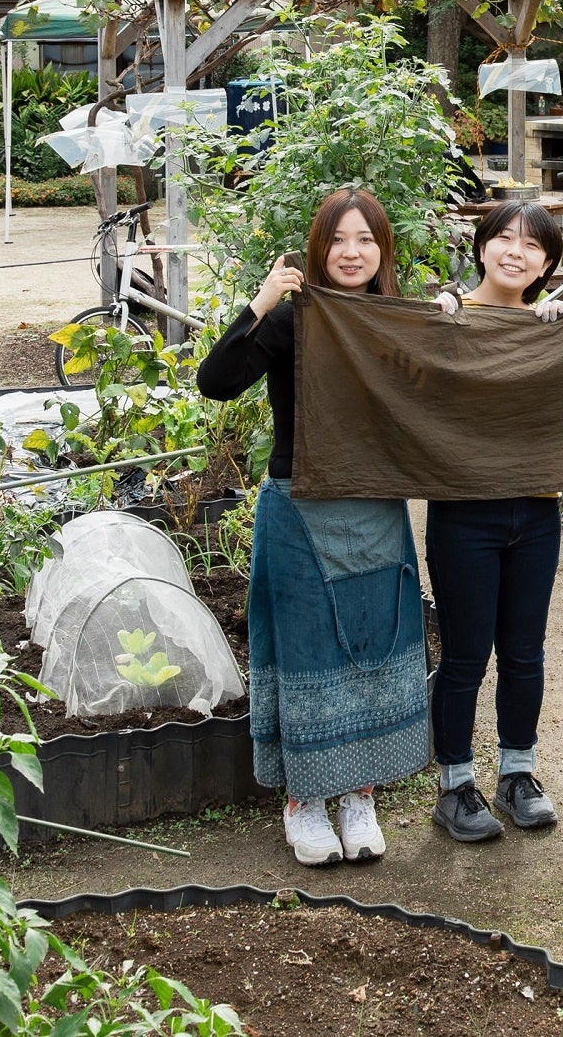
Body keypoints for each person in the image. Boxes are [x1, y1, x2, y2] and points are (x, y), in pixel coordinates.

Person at [195, 189, 428, 869]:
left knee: (373, 641)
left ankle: (359, 795)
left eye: (365, 239)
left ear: (383, 250)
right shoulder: (291, 320)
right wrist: (261, 301)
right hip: (299, 505)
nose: (352, 253)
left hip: (375, 505)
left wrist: (447, 316)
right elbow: (216, 381)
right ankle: (306, 801)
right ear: (319, 249)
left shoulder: (395, 321)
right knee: (308, 649)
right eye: (338, 240)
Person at [423, 200, 563, 842]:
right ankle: (455, 786)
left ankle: (518, 775)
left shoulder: (551, 325)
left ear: (547, 263)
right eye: (505, 238)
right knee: (465, 654)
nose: (516, 252)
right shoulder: (448, 317)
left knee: (524, 651)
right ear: (481, 247)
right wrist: (439, 320)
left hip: (536, 509)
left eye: (533, 245)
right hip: (463, 511)